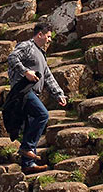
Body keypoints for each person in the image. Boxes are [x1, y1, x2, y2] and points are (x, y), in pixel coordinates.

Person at [6, 22, 67, 172]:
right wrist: (25, 71)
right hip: (23, 91)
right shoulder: (27, 46)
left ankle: (28, 165)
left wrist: (58, 94)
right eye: (48, 36)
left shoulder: (41, 54)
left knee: (30, 124)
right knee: (43, 115)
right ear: (40, 34)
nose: (50, 40)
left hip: (33, 93)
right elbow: (12, 57)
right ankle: (26, 147)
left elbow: (47, 76)